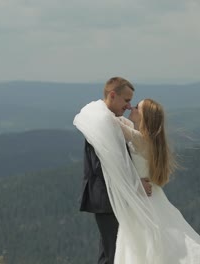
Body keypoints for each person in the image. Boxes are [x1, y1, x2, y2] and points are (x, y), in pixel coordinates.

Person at [74, 96, 200, 263]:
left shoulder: (140, 139)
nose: (131, 108)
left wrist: (105, 102)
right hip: (152, 197)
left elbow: (110, 123)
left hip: (142, 199)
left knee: (141, 245)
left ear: (144, 118)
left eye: (136, 108)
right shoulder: (149, 140)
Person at [78, 77, 152, 264]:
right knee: (115, 251)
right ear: (112, 95)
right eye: (126, 100)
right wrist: (137, 184)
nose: (128, 106)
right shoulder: (102, 122)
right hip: (107, 197)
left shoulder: (105, 119)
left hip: (109, 196)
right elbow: (105, 166)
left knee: (109, 250)